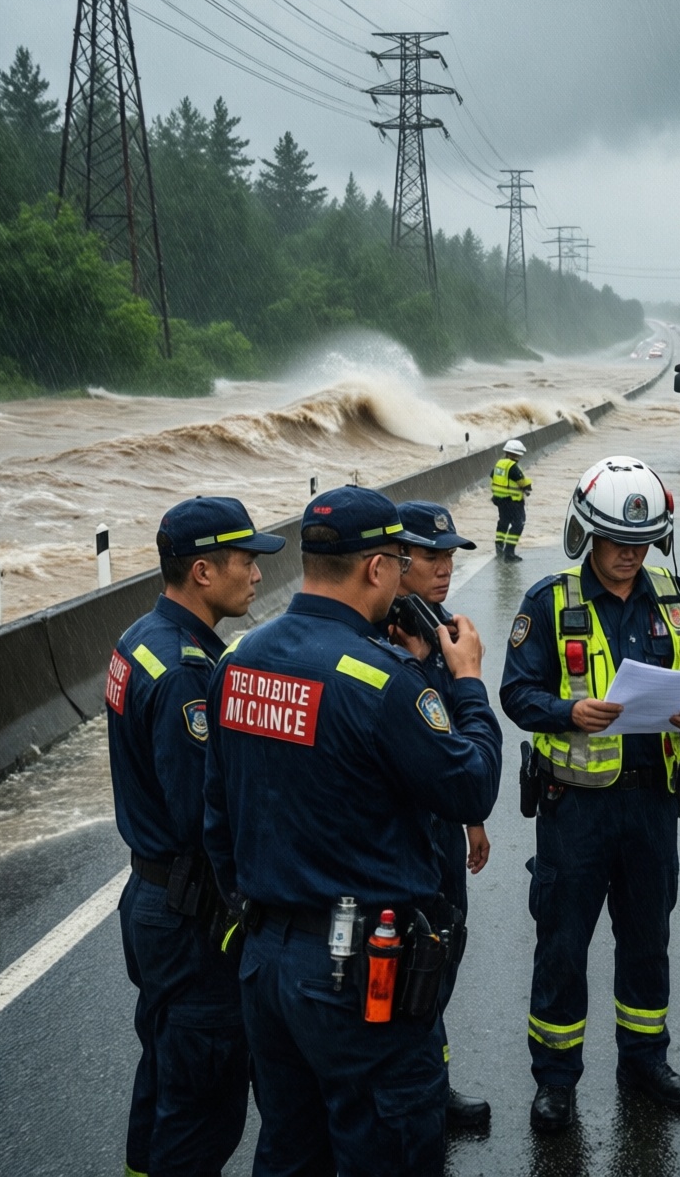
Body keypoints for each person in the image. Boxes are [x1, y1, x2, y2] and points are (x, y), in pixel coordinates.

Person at [203, 486, 502, 1176]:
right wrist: (467, 681)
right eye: (399, 561)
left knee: (290, 1149)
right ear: (376, 568)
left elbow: (217, 818)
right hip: (362, 976)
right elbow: (470, 786)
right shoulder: (382, 681)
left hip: (267, 963)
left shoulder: (239, 660)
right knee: (386, 1149)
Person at [500, 455, 680, 1133]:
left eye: (642, 542)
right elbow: (516, 693)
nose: (630, 554)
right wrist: (568, 712)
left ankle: (645, 1061)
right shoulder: (549, 602)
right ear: (586, 534)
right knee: (563, 945)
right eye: (616, 542)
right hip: (576, 809)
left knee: (648, 939)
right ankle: (555, 1081)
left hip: (653, 804)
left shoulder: (676, 597)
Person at [105, 495, 285, 1177]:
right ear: (203, 571)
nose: (258, 574)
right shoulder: (187, 673)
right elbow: (203, 818)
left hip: (152, 899)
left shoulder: (138, 638)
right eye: (245, 560)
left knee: (165, 1072)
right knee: (204, 1105)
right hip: (191, 915)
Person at [394, 499, 493, 1131]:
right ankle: (418, 1092)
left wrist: (471, 819)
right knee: (412, 962)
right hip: (405, 833)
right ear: (393, 560)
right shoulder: (382, 636)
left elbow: (451, 728)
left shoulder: (440, 628)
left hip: (443, 824)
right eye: (431, 556)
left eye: (450, 555)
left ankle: (436, 1081)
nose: (444, 567)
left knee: (444, 950)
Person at [492, 438, 533, 562]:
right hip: (513, 501)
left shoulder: (499, 464)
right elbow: (521, 481)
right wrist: (528, 487)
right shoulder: (513, 467)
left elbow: (492, 475)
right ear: (517, 454)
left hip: (500, 500)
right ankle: (509, 552)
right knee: (518, 524)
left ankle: (499, 546)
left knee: (503, 522)